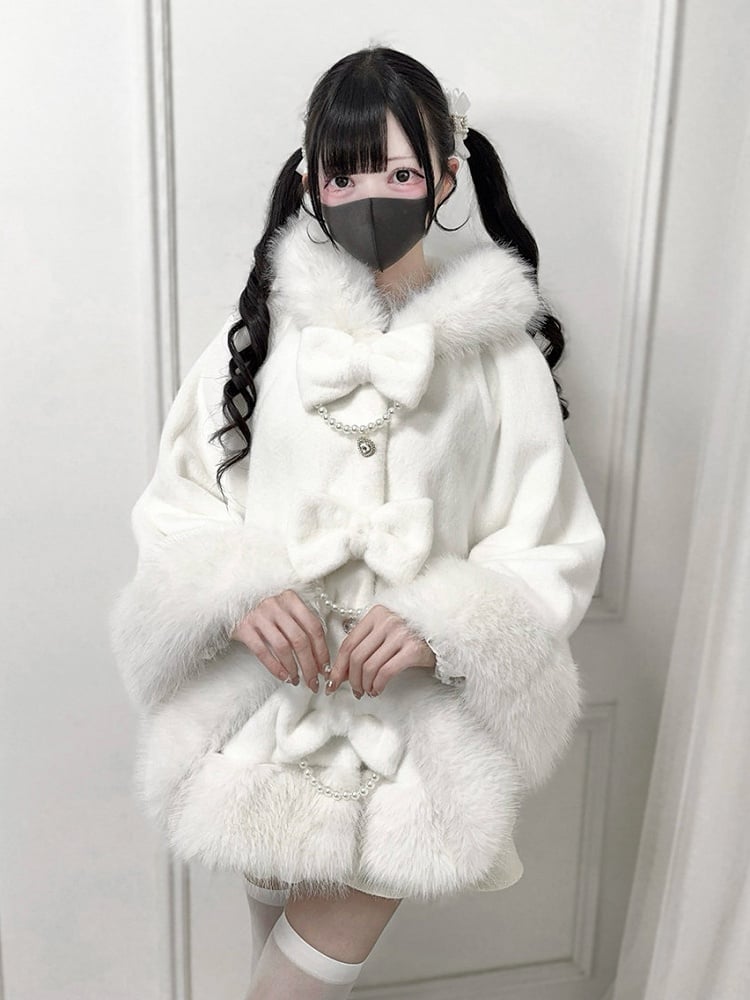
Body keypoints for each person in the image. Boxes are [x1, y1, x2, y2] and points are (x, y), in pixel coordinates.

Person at [109, 45, 606, 999]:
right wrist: (236, 592)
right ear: (311, 180)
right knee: (275, 974)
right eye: (345, 174)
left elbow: (548, 536)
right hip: (266, 714)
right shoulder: (257, 339)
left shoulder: (500, 361)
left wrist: (441, 621)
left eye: (400, 173)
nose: (371, 195)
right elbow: (184, 497)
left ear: (446, 177)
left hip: (408, 730)